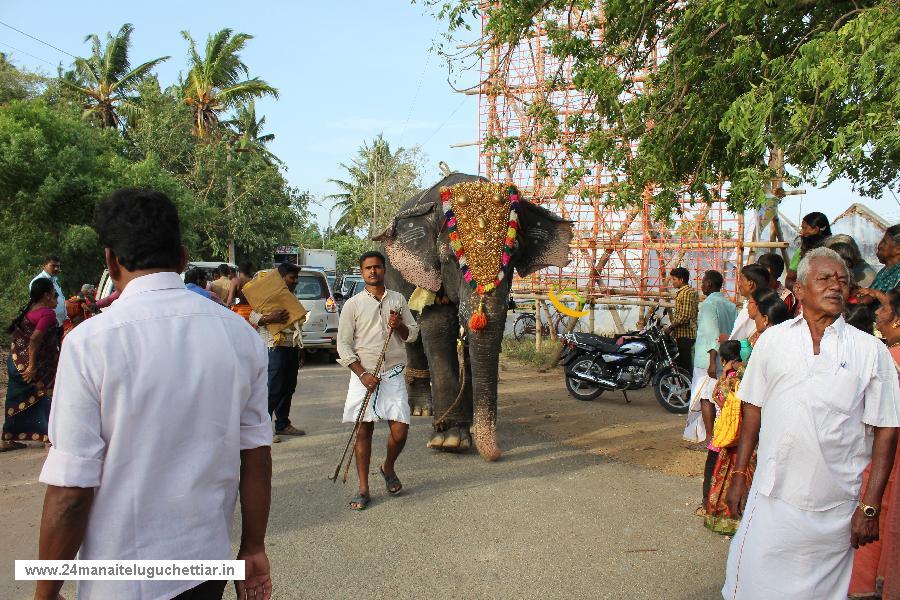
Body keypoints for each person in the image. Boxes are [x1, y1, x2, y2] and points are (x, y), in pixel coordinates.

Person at [35, 189, 273, 600]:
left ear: (110, 260)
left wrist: (45, 591)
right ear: (182, 259)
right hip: (205, 566)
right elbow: (256, 455)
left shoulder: (90, 343)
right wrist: (253, 547)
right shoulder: (240, 335)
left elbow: (71, 492)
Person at [722, 247, 899, 600]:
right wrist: (740, 474)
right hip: (772, 497)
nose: (836, 285)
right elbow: (752, 408)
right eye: (825, 278)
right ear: (800, 290)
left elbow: (887, 429)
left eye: (842, 280)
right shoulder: (774, 340)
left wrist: (869, 506)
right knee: (751, 586)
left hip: (836, 508)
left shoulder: (870, 351)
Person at [337, 251, 419, 511]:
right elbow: (343, 345)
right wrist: (362, 374)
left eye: (377, 267)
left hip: (392, 372)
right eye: (368, 268)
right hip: (364, 376)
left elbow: (413, 335)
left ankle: (388, 467)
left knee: (400, 430)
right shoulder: (353, 304)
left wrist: (399, 327)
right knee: (364, 431)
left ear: (384, 270)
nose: (373, 272)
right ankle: (363, 489)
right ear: (362, 272)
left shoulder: (398, 299)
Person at [849, 288, 900, 600]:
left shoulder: (890, 360)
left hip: (887, 456)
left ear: (896, 319)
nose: (878, 316)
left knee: (878, 518)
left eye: (883, 309)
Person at [249, 262, 307, 443]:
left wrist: (300, 349)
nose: (295, 281)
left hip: (291, 347)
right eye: (292, 277)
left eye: (296, 278)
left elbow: (297, 326)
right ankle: (263, 428)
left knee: (288, 387)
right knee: (273, 388)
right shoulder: (266, 295)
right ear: (281, 279)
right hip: (273, 348)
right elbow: (252, 315)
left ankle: (282, 424)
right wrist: (268, 318)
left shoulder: (289, 297)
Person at [1, 278, 59, 451]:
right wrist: (32, 366)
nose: (55, 298)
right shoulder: (47, 314)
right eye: (54, 294)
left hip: (16, 362)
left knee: (15, 399)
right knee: (47, 397)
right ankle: (49, 439)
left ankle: (7, 439)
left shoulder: (28, 311)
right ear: (46, 295)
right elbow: (35, 339)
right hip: (34, 366)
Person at [684, 270, 736, 450]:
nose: (701, 284)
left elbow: (713, 335)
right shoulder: (730, 305)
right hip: (726, 358)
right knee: (719, 399)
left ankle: (709, 440)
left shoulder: (708, 305)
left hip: (708, 361)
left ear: (710, 284)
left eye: (704, 281)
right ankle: (718, 437)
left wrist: (712, 361)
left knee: (706, 399)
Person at [785, 211, 832, 290]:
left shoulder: (833, 250)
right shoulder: (800, 252)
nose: (801, 232)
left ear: (816, 229)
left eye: (804, 228)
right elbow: (789, 280)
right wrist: (805, 290)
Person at [665, 267, 698, 374]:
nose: (672, 282)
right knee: (681, 363)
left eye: (674, 279)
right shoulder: (685, 292)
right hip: (682, 335)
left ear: (681, 280)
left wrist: (671, 327)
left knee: (685, 365)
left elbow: (685, 316)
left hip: (686, 335)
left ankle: (689, 389)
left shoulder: (686, 292)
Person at [726, 264, 770, 344]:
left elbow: (734, 342)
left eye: (741, 280)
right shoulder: (769, 305)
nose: (739, 285)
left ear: (750, 284)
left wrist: (725, 339)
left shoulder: (751, 310)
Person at [29, 255, 66, 326]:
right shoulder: (38, 281)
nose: (56, 268)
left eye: (58, 266)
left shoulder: (55, 279)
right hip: (49, 323)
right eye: (53, 266)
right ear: (44, 266)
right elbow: (37, 304)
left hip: (60, 321)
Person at [869, 225, 900, 294]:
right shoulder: (884, 271)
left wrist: (876, 295)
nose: (879, 245)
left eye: (884, 242)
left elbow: (894, 302)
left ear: (898, 249)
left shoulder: (898, 275)